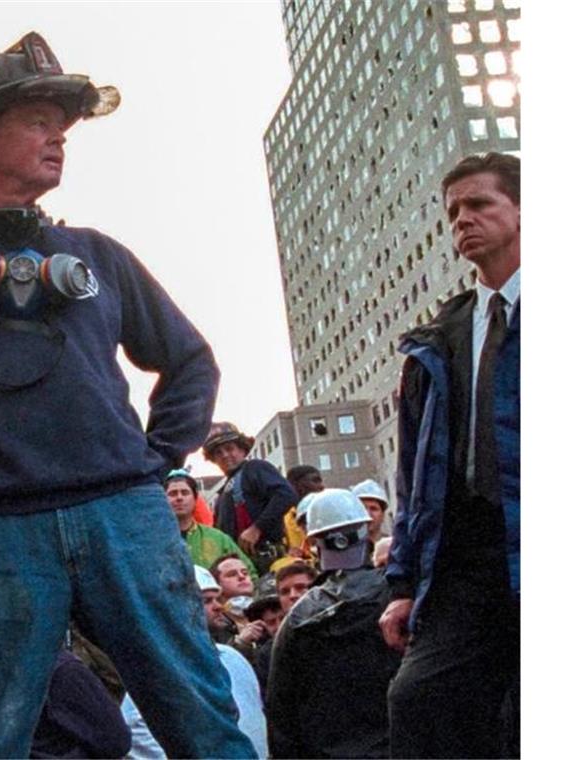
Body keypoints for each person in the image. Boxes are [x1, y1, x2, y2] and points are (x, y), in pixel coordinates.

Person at [0, 31, 254, 759]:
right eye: (38, 122)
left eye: (63, 126)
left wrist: (149, 462)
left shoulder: (97, 256)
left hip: (121, 515)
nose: (58, 140)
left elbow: (189, 360)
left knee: (200, 718)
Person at [381, 152, 520, 758]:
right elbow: (415, 475)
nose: (464, 220)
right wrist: (403, 583)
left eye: (481, 204)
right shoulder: (441, 339)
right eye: (454, 211)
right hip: (467, 561)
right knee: (419, 700)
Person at [267, 490, 402, 758]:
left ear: (314, 543)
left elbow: (281, 712)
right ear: (365, 531)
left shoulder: (298, 618)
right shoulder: (398, 598)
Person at [120, 566, 267, 759]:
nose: (218, 607)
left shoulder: (234, 658)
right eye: (206, 600)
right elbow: (135, 730)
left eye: (217, 599)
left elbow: (256, 720)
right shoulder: (160, 664)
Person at [205, 423, 299, 573]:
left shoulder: (255, 468)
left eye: (229, 448)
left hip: (268, 560)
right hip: (243, 566)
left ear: (242, 449)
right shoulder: (222, 493)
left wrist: (257, 528)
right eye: (218, 452)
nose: (225, 455)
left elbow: (286, 495)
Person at [165, 469, 255, 574]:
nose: (179, 497)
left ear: (195, 499)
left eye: (185, 493)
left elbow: (250, 573)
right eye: (173, 494)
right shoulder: (151, 540)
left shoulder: (219, 539)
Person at [350, 478, 390, 549]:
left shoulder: (394, 547)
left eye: (374, 509)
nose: (368, 514)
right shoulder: (347, 549)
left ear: (383, 515)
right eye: (363, 508)